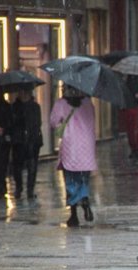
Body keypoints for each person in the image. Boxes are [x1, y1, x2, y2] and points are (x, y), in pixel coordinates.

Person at [49, 86, 96, 227]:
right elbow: (92, 119)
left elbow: (53, 123)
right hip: (86, 147)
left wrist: (63, 124)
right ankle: (85, 198)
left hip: (70, 146)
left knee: (71, 181)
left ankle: (74, 214)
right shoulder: (88, 102)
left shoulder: (61, 103)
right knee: (83, 179)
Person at [11, 87, 43, 200]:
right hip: (18, 141)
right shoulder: (14, 107)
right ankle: (19, 188)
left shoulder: (35, 107)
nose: (24, 94)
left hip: (33, 141)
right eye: (21, 92)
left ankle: (30, 190)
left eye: (26, 92)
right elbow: (12, 123)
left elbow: (37, 123)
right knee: (17, 167)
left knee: (32, 166)